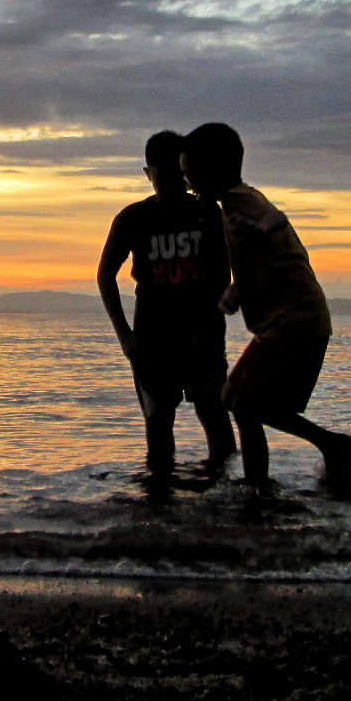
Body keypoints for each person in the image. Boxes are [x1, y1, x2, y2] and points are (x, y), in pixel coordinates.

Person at [179, 121, 351, 487]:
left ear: (213, 169)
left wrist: (261, 231)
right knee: (231, 396)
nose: (188, 184)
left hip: (295, 322)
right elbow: (259, 252)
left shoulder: (238, 201)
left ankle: (260, 489)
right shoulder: (236, 200)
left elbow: (275, 221)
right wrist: (237, 289)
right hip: (283, 323)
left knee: (246, 406)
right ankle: (324, 449)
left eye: (191, 174)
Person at [96, 129, 237, 478]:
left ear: (186, 173)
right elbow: (105, 275)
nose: (172, 187)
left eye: (179, 178)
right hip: (153, 339)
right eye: (161, 179)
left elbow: (222, 276)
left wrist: (207, 325)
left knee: (214, 412)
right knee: (159, 424)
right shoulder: (133, 218)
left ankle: (227, 497)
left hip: (203, 336)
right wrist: (125, 337)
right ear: (147, 174)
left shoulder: (207, 213)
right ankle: (159, 511)